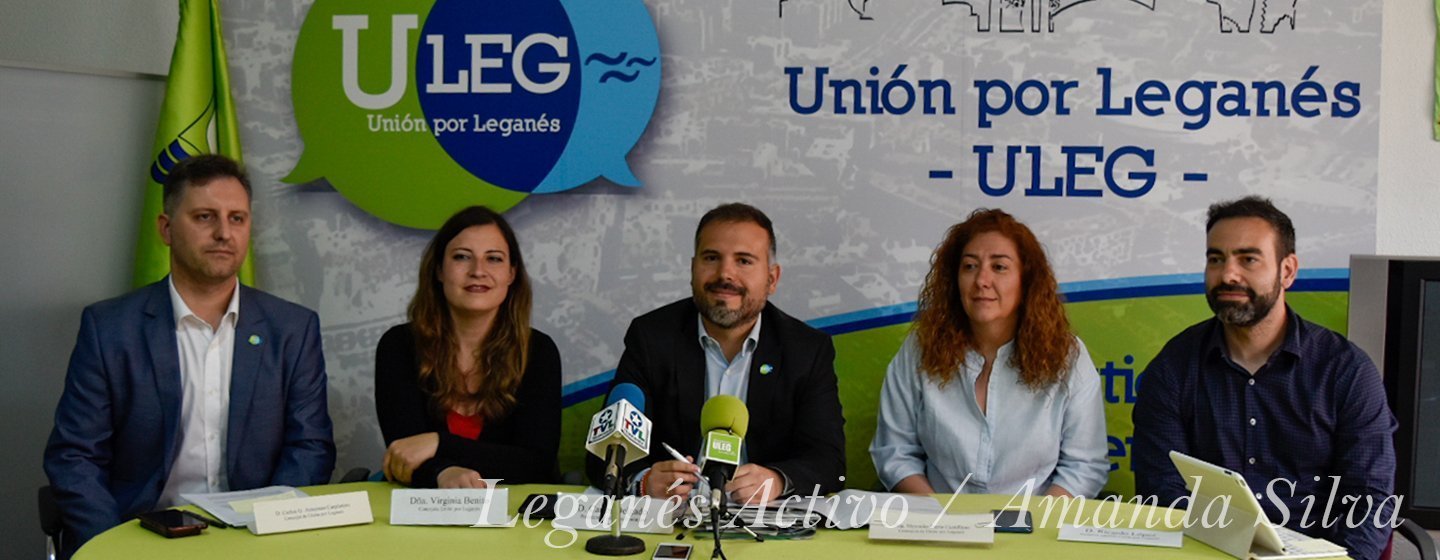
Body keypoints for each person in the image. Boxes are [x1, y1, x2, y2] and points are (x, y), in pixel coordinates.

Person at [43, 155, 335, 553]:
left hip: (256, 539)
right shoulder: (111, 329)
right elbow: (75, 456)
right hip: (141, 535)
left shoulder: (292, 329)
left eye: (237, 218)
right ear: (166, 228)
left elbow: (311, 446)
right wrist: (114, 546)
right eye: (204, 217)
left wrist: (269, 534)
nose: (223, 233)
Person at [1132, 196, 1396, 560]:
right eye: (1216, 259)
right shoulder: (1174, 367)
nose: (1228, 275)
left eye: (1248, 259)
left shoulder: (1346, 371)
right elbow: (1162, 487)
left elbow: (1370, 499)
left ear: (1287, 271)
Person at [587, 203, 846, 504]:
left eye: (744, 261)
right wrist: (642, 481)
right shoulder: (651, 337)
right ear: (693, 268)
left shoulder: (806, 350)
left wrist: (777, 481)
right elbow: (604, 452)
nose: (725, 274)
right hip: (670, 518)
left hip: (760, 524)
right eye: (712, 258)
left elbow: (830, 462)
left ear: (772, 279)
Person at [870, 209, 1108, 497]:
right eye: (970, 266)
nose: (981, 280)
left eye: (999, 267)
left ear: (1026, 281)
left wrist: (1030, 527)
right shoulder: (920, 349)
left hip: (1036, 528)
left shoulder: (1068, 357)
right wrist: (940, 520)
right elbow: (895, 453)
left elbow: (1084, 467)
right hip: (935, 525)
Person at [374, 206, 561, 489]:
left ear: (511, 274)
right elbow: (404, 453)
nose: (478, 271)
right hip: (422, 512)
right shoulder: (398, 346)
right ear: (438, 270)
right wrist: (441, 473)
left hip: (515, 519)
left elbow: (535, 463)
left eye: (494, 259)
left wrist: (438, 443)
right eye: (462, 257)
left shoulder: (539, 351)